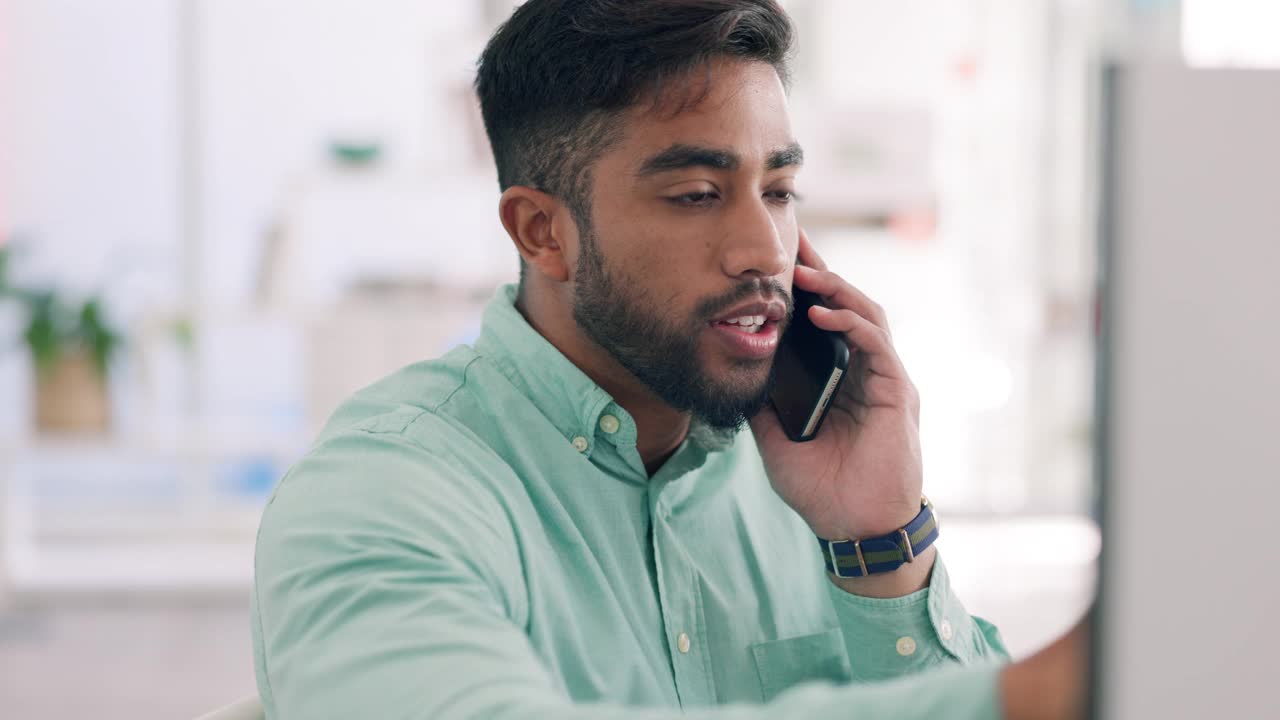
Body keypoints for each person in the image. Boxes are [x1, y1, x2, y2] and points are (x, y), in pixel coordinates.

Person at [250, 1, 1086, 717]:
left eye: (779, 191)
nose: (764, 250)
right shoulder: (381, 494)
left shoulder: (805, 475)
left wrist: (880, 545)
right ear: (543, 232)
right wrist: (1017, 698)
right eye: (696, 196)